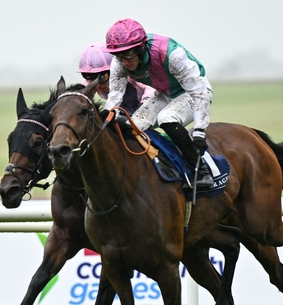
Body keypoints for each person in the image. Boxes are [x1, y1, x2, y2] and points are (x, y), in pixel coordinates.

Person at [103, 18, 214, 188]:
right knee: (133, 125)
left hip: (195, 92)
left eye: (127, 55)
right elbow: (114, 97)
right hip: (165, 93)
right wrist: (106, 120)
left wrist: (200, 131)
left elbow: (199, 93)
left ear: (141, 48)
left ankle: (203, 172)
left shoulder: (171, 54)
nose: (124, 62)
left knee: (166, 118)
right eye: (118, 56)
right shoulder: (119, 62)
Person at [78, 42, 156, 116]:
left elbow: (151, 88)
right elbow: (77, 96)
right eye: (93, 79)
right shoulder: (90, 82)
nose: (98, 85)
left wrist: (145, 105)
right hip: (126, 112)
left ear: (113, 71)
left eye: (103, 77)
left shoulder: (128, 73)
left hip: (151, 109)